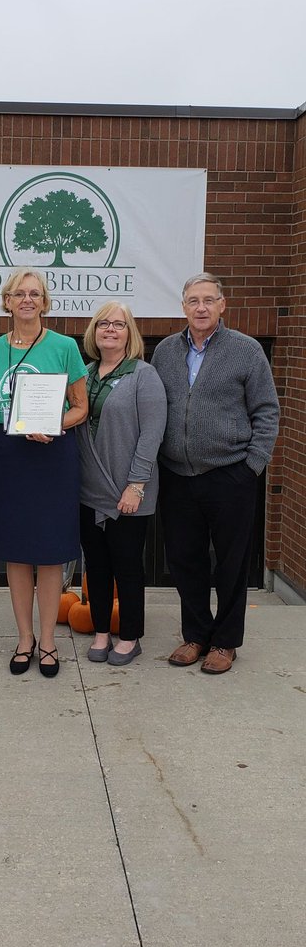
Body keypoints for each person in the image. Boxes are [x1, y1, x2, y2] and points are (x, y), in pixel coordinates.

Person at [151, 273, 280, 674]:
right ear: (183, 307)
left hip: (230, 475)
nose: (201, 307)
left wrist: (252, 466)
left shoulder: (247, 351)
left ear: (222, 305)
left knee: (230, 563)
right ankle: (195, 636)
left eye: (209, 300)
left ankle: (224, 642)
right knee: (185, 560)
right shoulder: (167, 352)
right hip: (177, 476)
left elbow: (267, 411)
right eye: (193, 300)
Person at [0, 268, 88, 678]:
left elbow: (80, 406)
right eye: (18, 294)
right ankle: (23, 639)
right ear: (6, 301)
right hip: (9, 456)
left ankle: (48, 641)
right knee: (15, 549)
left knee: (48, 551)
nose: (27, 300)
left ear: (45, 302)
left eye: (35, 294)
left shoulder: (64, 347)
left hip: (52, 454)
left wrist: (56, 424)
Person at [77, 302, 167, 666]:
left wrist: (137, 484)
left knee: (127, 565)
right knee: (95, 566)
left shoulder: (143, 375)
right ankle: (101, 631)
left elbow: (152, 434)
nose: (110, 329)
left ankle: (129, 636)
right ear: (94, 332)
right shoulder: (84, 373)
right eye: (103, 324)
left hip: (127, 491)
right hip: (88, 489)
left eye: (118, 324)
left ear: (129, 333)